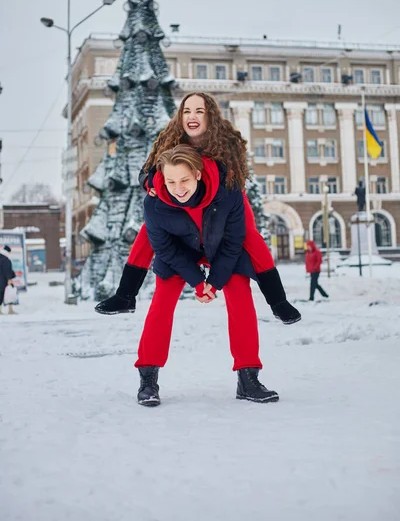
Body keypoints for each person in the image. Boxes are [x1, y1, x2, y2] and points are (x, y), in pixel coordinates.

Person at [96, 92, 301, 325]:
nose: (192, 116)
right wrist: (148, 182)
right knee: (147, 232)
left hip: (226, 197)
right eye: (187, 111)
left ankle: (278, 302)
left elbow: (239, 172)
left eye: (199, 111)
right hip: (183, 197)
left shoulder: (227, 140)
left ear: (209, 116)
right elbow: (149, 169)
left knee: (251, 237)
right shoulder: (171, 139)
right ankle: (125, 295)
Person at [135, 144, 279, 406]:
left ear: (198, 174)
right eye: (170, 181)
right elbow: (164, 248)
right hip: (178, 253)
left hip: (220, 247)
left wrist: (215, 282)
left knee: (242, 298)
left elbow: (235, 240)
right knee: (161, 304)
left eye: (184, 180)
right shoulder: (154, 202)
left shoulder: (228, 191)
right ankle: (148, 379)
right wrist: (197, 282)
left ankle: (248, 378)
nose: (178, 188)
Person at [0, 245, 17, 315]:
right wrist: (9, 278)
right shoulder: (6, 259)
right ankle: (10, 310)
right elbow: (7, 270)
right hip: (3, 280)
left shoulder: (1, 257)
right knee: (8, 294)